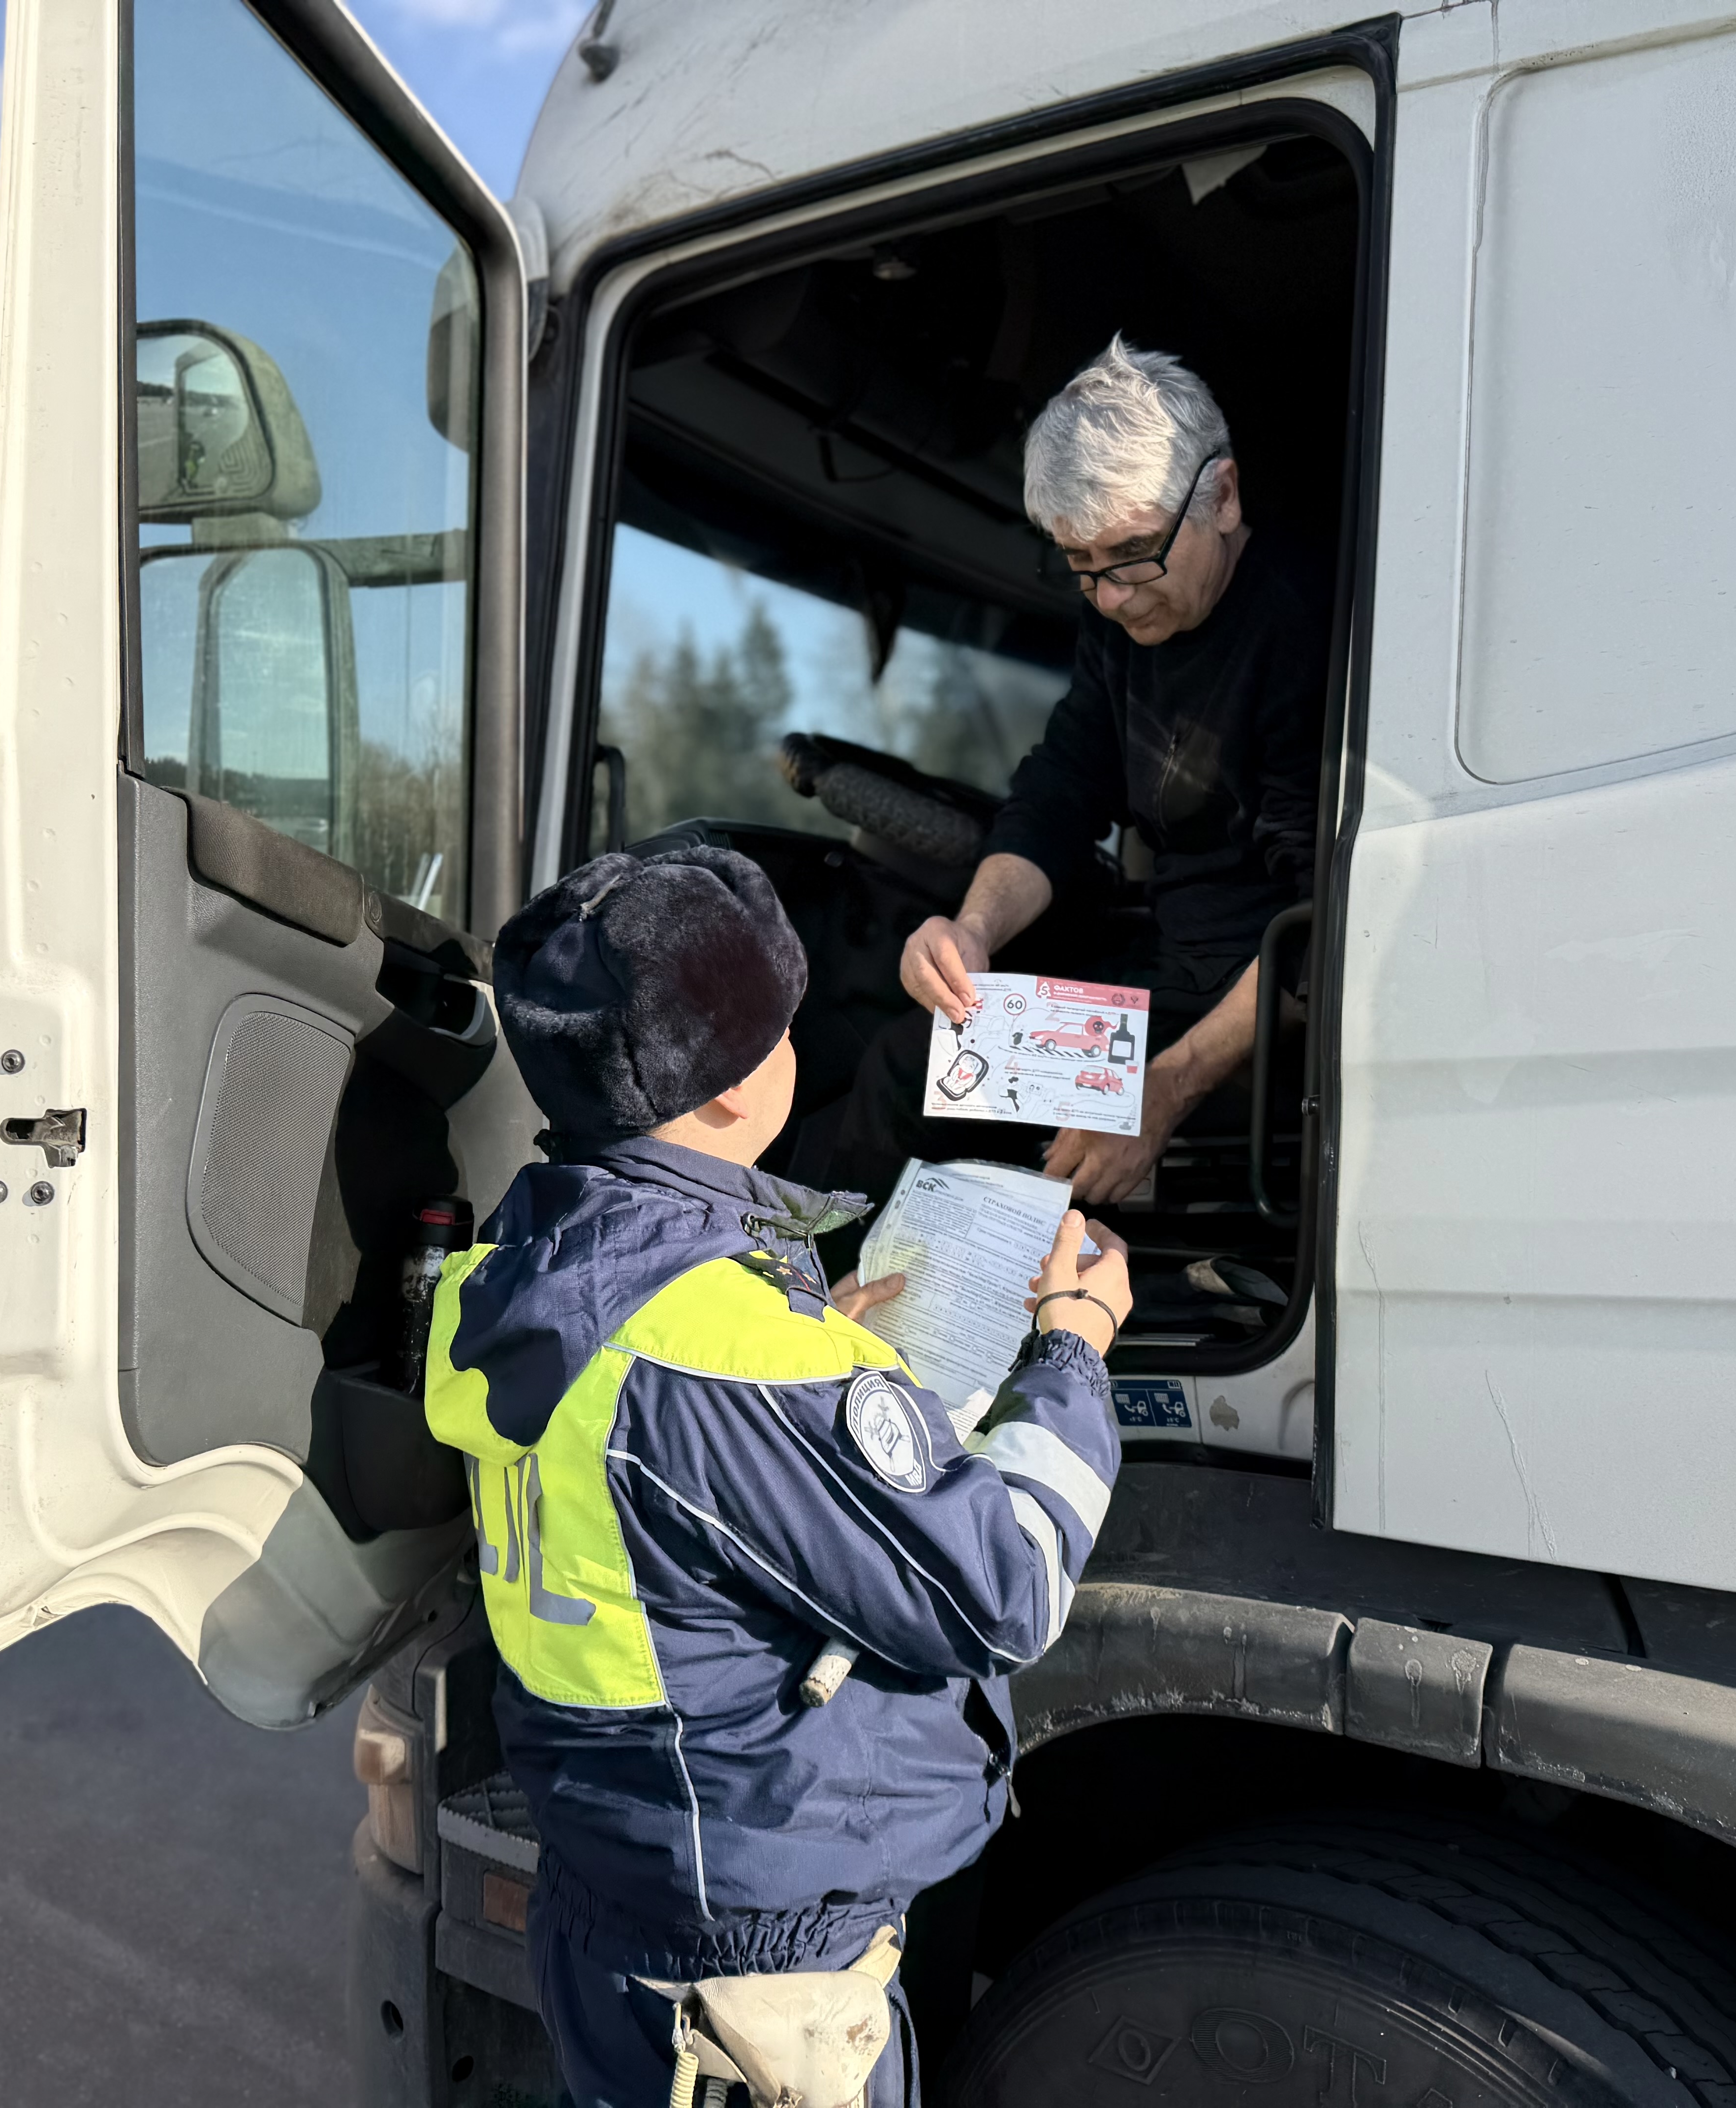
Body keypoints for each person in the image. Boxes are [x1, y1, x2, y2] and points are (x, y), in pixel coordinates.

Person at [429, 844, 1127, 2108]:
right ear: (741, 1093)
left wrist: (812, 1339)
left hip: (621, 1895)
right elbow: (1004, 1589)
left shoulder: (511, 1274)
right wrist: (1073, 1348)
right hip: (755, 1983)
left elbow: (656, 1461)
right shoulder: (729, 1365)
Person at [828, 336, 1329, 1206]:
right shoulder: (1120, 618)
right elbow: (1060, 792)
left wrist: (1162, 1089)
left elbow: (1322, 928)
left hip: (1266, 1014)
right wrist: (975, 931)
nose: (1113, 598)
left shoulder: (1299, 624)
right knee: (917, 1053)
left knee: (916, 1076)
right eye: (1082, 567)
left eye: (1132, 554)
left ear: (1223, 495)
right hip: (1170, 971)